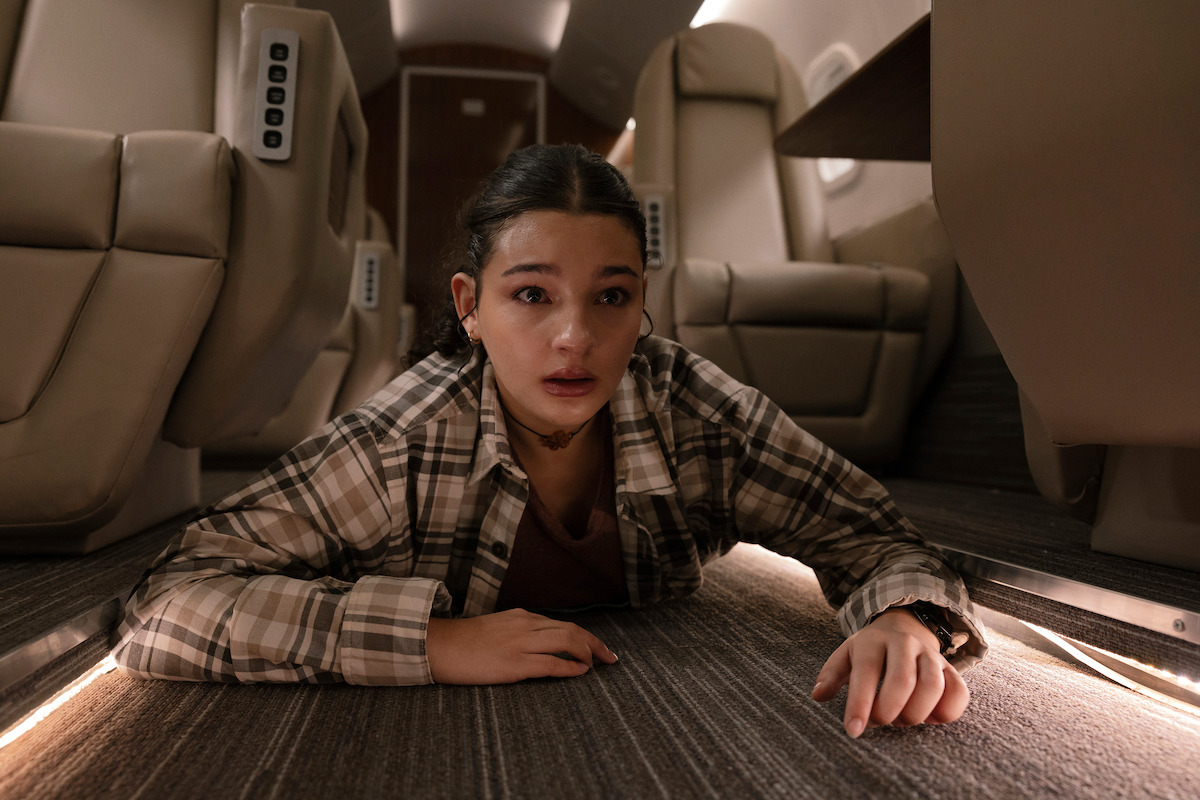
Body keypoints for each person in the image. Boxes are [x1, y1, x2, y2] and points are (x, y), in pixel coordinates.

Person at [112, 143, 987, 739]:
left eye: (611, 297)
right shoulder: (398, 443)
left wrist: (905, 618)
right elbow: (165, 606)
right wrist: (432, 644)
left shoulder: (695, 409)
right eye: (531, 295)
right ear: (470, 307)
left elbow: (870, 533)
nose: (576, 338)